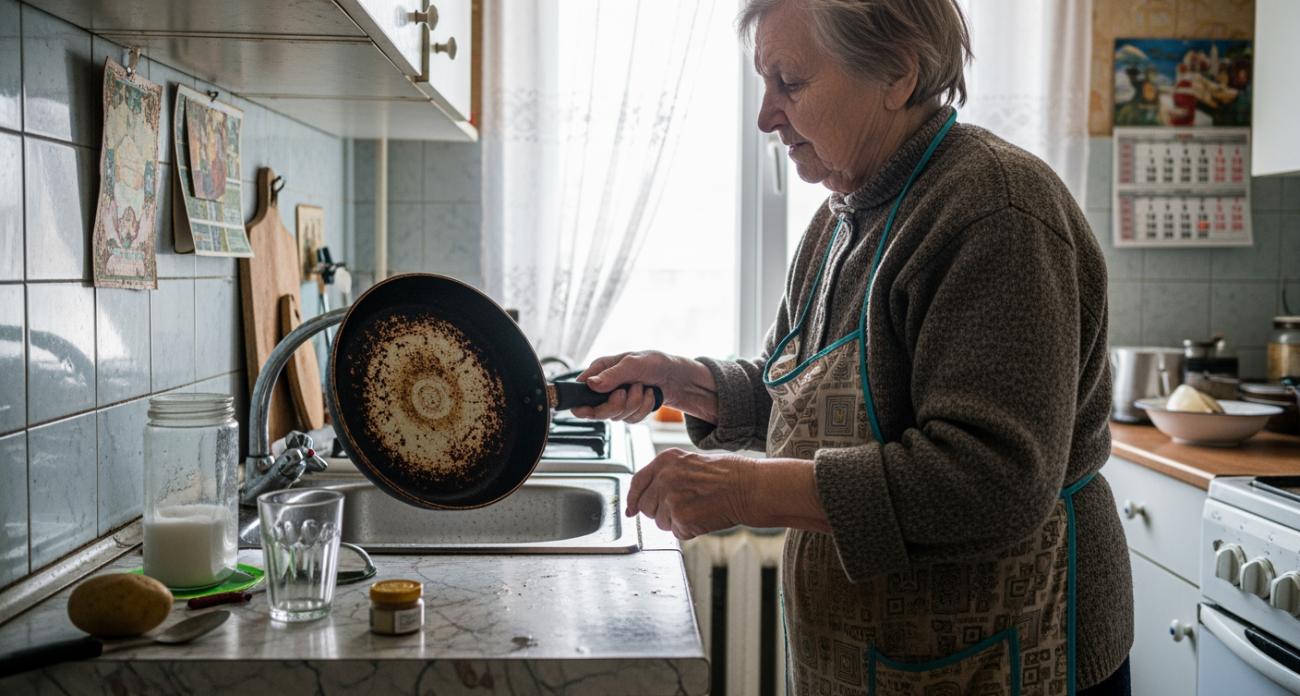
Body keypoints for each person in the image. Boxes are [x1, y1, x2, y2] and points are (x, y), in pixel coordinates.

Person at [571, 0, 1133, 694]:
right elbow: (803, 391)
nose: (765, 116)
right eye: (764, 83)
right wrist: (685, 381)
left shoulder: (997, 209)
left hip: (1010, 652)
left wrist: (744, 489)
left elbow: (993, 480)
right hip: (878, 654)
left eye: (791, 83)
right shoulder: (842, 217)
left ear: (897, 74)